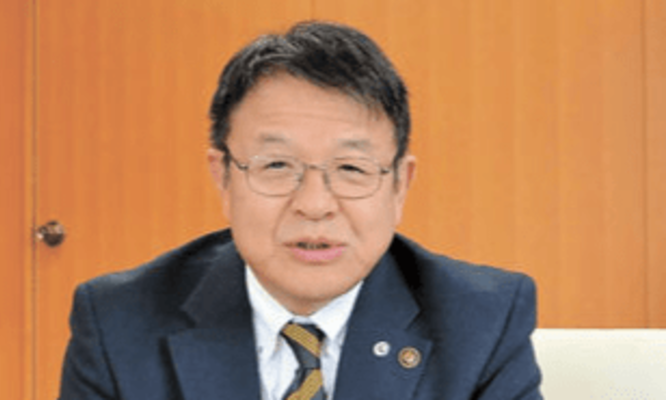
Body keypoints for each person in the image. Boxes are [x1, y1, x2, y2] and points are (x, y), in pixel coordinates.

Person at [59, 21, 543, 400]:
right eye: (277, 165)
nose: (314, 205)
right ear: (223, 177)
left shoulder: (482, 323)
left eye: (351, 168)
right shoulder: (118, 324)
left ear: (399, 185)